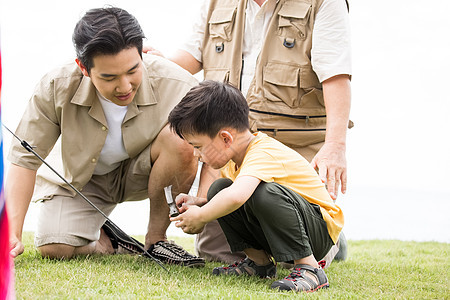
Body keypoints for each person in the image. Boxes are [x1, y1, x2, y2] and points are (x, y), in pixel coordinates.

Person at [151, 0, 352, 263]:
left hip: (291, 145)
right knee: (218, 254)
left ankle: (326, 241)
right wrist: (154, 63)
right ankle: (264, 259)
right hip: (229, 148)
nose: (195, 154)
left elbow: (335, 74)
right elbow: (192, 54)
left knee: (267, 198)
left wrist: (335, 145)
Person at [5, 6, 204, 267]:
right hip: (83, 179)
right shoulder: (56, 85)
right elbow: (24, 159)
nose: (124, 86)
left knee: (180, 139)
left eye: (133, 71)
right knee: (54, 247)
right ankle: (108, 240)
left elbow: (215, 144)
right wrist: (12, 233)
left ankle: (156, 241)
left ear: (142, 55)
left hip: (144, 172)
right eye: (109, 77)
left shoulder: (178, 83)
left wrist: (206, 202)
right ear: (83, 68)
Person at [168, 80, 343, 293]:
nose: (197, 154)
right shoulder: (235, 160)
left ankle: (310, 268)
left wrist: (201, 216)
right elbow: (233, 195)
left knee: (263, 193)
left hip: (319, 232)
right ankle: (260, 263)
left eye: (198, 146)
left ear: (225, 138)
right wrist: (201, 202)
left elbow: (237, 197)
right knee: (219, 190)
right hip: (289, 229)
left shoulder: (263, 153)